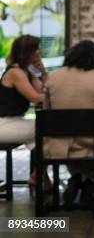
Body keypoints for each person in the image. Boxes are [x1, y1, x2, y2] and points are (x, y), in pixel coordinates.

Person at [44, 40, 94, 207]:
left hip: (59, 145)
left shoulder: (52, 77)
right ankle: (89, 182)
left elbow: (47, 112)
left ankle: (78, 177)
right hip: (92, 144)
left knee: (75, 140)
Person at [0, 35, 48, 193]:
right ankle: (37, 177)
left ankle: (41, 179)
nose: (39, 51)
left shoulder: (26, 70)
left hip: (13, 122)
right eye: (36, 48)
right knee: (47, 130)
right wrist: (59, 96)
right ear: (26, 52)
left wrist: (42, 72)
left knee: (40, 139)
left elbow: (42, 91)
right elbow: (35, 97)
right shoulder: (16, 72)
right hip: (4, 124)